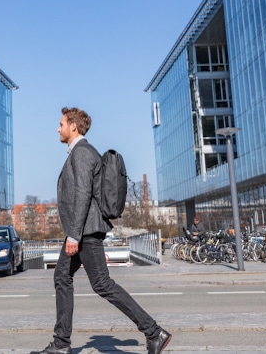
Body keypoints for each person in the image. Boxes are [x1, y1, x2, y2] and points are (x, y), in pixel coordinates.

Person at [31, 107, 171, 354]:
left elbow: (83, 194)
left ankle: (153, 331)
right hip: (81, 229)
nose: (58, 128)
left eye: (61, 123)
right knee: (62, 276)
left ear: (73, 126)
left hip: (85, 231)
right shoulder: (79, 152)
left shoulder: (82, 152)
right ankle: (61, 343)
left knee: (102, 284)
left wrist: (74, 235)